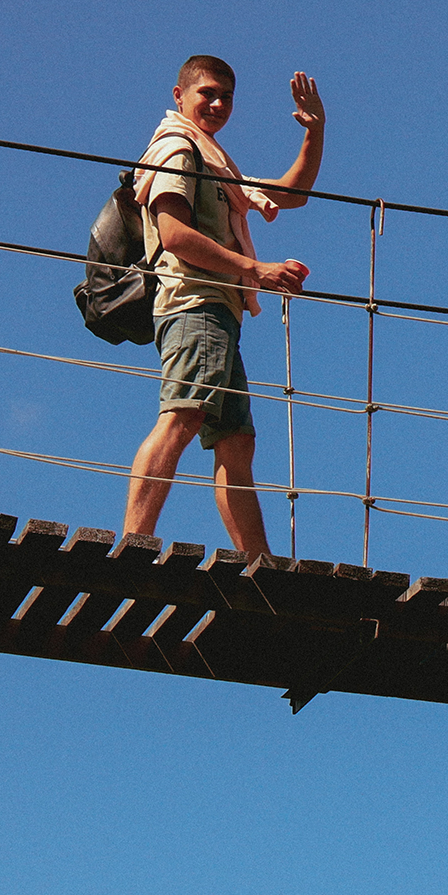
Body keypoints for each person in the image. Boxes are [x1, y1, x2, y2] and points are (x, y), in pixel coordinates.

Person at [122, 57, 326, 557]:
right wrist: (256, 270)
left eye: (227, 97)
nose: (217, 104)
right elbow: (174, 235)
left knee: (236, 442)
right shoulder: (175, 148)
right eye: (207, 93)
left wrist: (314, 131)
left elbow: (291, 194)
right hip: (194, 305)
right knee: (184, 415)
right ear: (179, 95)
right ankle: (133, 545)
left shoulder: (216, 160)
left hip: (221, 315)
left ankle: (262, 566)